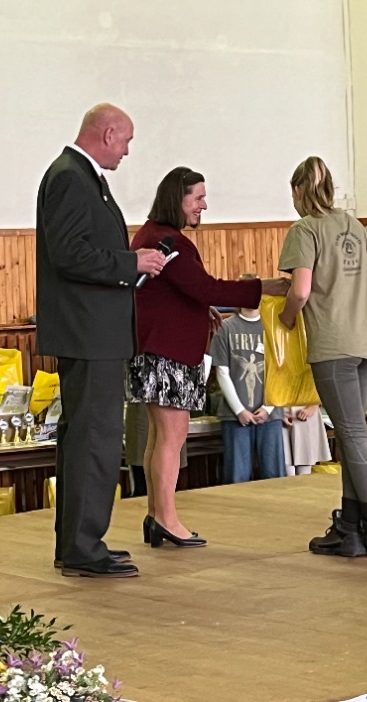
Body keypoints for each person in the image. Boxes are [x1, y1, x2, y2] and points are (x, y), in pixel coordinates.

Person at [35, 103, 167, 579]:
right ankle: (82, 547)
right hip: (89, 333)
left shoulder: (78, 175)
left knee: (89, 440)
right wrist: (132, 264)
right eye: (126, 140)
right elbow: (69, 253)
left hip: (93, 331)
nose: (127, 151)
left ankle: (79, 542)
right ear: (108, 133)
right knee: (94, 441)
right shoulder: (72, 177)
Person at [128, 166, 288, 549]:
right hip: (167, 354)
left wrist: (202, 310)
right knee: (172, 438)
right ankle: (167, 519)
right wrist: (265, 287)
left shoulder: (151, 234)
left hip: (153, 350)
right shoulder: (169, 241)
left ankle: (156, 515)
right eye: (198, 197)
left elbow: (172, 293)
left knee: (160, 437)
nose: (204, 205)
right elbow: (205, 287)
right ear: (178, 198)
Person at [279, 155, 367, 557]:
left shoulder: (304, 229)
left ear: (299, 190)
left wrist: (288, 318)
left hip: (333, 345)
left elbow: (300, 290)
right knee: (353, 436)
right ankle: (349, 528)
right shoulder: (354, 226)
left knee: (352, 436)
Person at [210, 288, 286, 485]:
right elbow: (222, 372)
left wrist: (268, 407)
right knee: (237, 476)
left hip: (270, 414)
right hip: (235, 416)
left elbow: (282, 370)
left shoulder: (274, 326)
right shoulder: (225, 328)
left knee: (274, 477)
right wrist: (239, 410)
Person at [281, 404, 331, 476]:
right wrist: (278, 413)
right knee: (285, 466)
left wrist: (312, 407)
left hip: (307, 411)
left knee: (304, 464)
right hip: (282, 412)